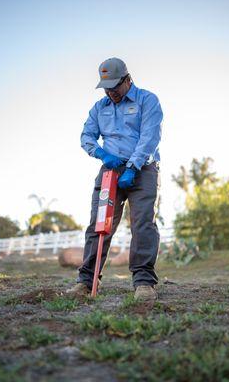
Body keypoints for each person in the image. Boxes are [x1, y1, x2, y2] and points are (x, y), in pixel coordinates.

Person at [68, 57, 163, 302]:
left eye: (115, 86)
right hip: (110, 171)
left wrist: (132, 166)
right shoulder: (99, 108)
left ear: (128, 80)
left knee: (142, 224)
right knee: (99, 225)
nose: (111, 92)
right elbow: (86, 136)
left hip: (143, 169)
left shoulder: (147, 100)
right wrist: (101, 153)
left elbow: (150, 137)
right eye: (106, 87)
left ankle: (143, 282)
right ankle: (86, 281)